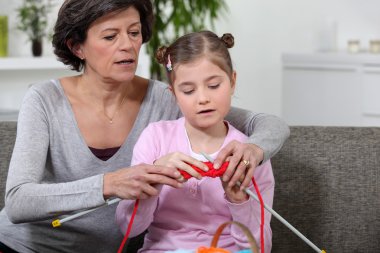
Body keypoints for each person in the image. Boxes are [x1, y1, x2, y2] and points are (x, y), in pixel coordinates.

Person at [0, 0, 288, 252]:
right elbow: (18, 201)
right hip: (22, 245)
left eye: (134, 33)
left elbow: (266, 123)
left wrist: (254, 150)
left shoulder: (168, 97)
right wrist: (111, 183)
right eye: (111, 36)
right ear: (77, 47)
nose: (127, 45)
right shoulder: (44, 99)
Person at [115, 31, 274, 253]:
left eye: (214, 85)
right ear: (174, 95)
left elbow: (260, 248)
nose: (202, 98)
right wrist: (153, 182)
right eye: (188, 90)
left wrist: (239, 201)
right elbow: (129, 229)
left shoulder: (248, 155)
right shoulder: (155, 138)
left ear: (232, 81)